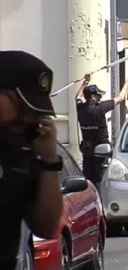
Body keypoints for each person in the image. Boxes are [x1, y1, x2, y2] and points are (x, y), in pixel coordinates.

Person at [0, 51, 64, 269]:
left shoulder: (21, 153)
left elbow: (46, 227)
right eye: (24, 107)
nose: (32, 118)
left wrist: (48, 161)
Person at [75, 74, 128, 191]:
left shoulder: (80, 108)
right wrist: (127, 84)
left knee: (88, 179)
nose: (100, 98)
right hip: (101, 152)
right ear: (92, 97)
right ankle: (101, 202)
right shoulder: (100, 108)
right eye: (98, 95)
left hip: (87, 151)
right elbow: (120, 98)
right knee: (100, 179)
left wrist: (85, 82)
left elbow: (78, 96)